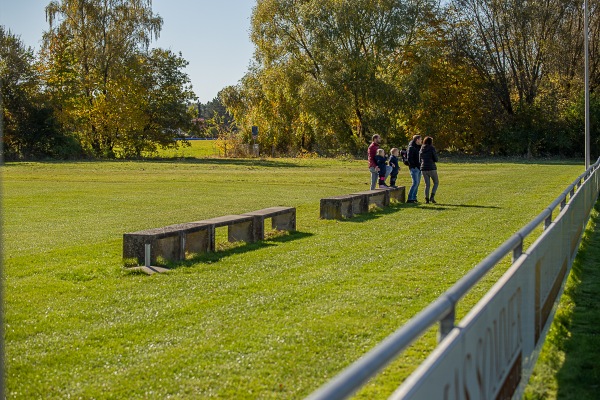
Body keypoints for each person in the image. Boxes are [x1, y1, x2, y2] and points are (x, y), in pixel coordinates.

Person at [419, 136, 439, 204]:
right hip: (431, 167)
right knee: (436, 182)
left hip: (423, 168)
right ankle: (432, 196)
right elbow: (436, 159)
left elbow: (420, 159)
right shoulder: (432, 148)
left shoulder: (421, 148)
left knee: (427, 185)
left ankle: (426, 199)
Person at [406, 135, 422, 203]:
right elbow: (409, 158)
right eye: (420, 139)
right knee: (415, 182)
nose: (421, 141)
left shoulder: (419, 147)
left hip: (419, 167)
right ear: (417, 140)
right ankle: (410, 198)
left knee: (417, 183)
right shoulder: (411, 147)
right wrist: (414, 166)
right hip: (414, 168)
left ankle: (414, 197)